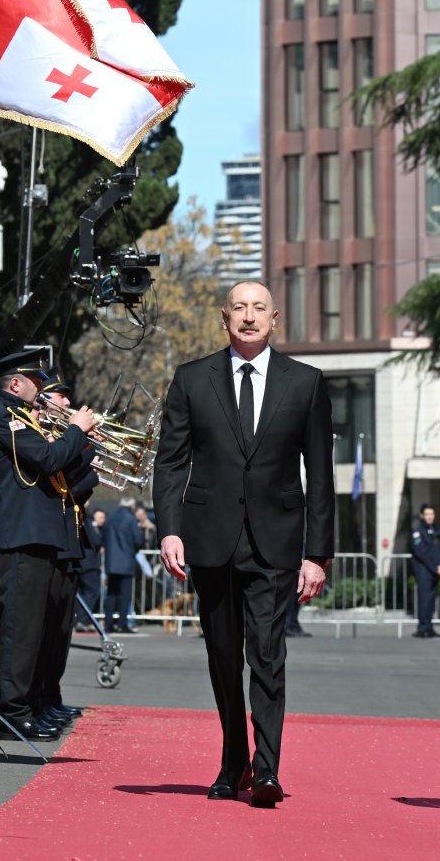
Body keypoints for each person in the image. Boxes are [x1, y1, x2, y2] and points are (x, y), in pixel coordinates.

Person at [152, 280, 334, 809]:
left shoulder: (305, 383)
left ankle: (268, 769)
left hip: (276, 543)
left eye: (259, 309)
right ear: (223, 318)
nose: (249, 317)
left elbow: (319, 474)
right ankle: (234, 760)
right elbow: (170, 462)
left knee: (268, 655)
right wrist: (169, 529)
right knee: (224, 656)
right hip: (209, 542)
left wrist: (317, 554)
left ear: (275, 317)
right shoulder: (192, 379)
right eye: (239, 308)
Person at [0, 349, 96, 741]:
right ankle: (12, 710)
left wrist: (80, 440)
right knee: (20, 629)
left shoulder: (20, 417)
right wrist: (76, 430)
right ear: (15, 384)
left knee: (36, 629)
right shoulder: (5, 417)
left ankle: (27, 705)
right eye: (36, 382)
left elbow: (56, 465)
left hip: (37, 534)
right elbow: (47, 459)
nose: (41, 390)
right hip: (19, 534)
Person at [101, 499, 142, 633]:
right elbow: (138, 540)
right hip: (126, 561)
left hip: (111, 561)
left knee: (111, 594)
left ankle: (108, 624)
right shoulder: (130, 519)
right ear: (131, 507)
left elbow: (103, 538)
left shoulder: (110, 518)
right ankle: (122, 624)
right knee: (125, 595)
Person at [410, 505, 440, 638]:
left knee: (431, 600)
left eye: (431, 514)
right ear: (422, 516)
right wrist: (435, 566)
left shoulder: (435, 531)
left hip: (434, 570)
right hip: (424, 570)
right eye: (427, 514)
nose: (430, 516)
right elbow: (421, 553)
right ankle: (422, 627)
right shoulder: (418, 532)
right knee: (424, 599)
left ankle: (429, 627)